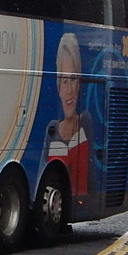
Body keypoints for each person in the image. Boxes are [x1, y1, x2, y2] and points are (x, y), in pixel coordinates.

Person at [44, 33, 93, 198]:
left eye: (73, 80)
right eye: (64, 81)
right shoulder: (51, 130)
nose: (70, 89)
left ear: (80, 84)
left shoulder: (86, 122)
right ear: (58, 88)